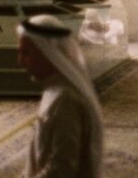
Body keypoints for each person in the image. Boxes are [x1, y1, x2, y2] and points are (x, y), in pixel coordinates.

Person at [17, 14, 103, 177]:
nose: (20, 61)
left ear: (48, 54)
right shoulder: (54, 90)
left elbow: (62, 168)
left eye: (26, 53)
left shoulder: (65, 100)